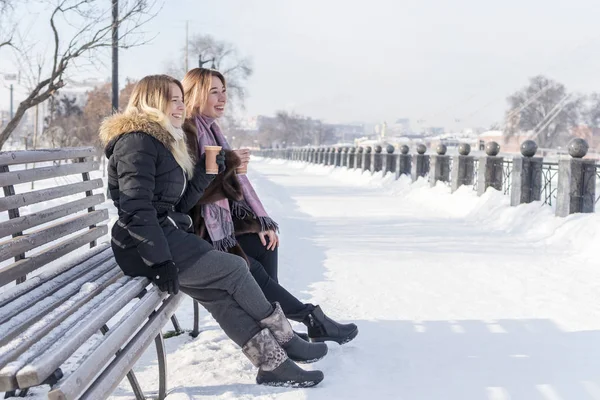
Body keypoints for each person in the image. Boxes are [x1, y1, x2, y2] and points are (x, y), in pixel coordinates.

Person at [100, 74, 327, 387]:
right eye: (173, 99)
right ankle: (285, 341)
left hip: (162, 234)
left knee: (220, 296)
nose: (180, 106)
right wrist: (159, 261)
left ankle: (271, 364)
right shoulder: (137, 142)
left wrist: (210, 171)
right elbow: (136, 208)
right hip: (140, 244)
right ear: (151, 101)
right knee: (234, 268)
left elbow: (178, 206)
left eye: (181, 99)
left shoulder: (162, 140)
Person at [181, 68, 358, 345]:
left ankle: (277, 325)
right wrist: (227, 164)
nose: (222, 98)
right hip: (198, 228)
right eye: (213, 91)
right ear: (195, 94)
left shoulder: (211, 129)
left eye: (224, 91)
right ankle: (310, 317)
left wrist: (256, 221)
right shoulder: (189, 131)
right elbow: (195, 191)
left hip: (217, 223)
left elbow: (226, 187)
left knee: (264, 243)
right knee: (249, 267)